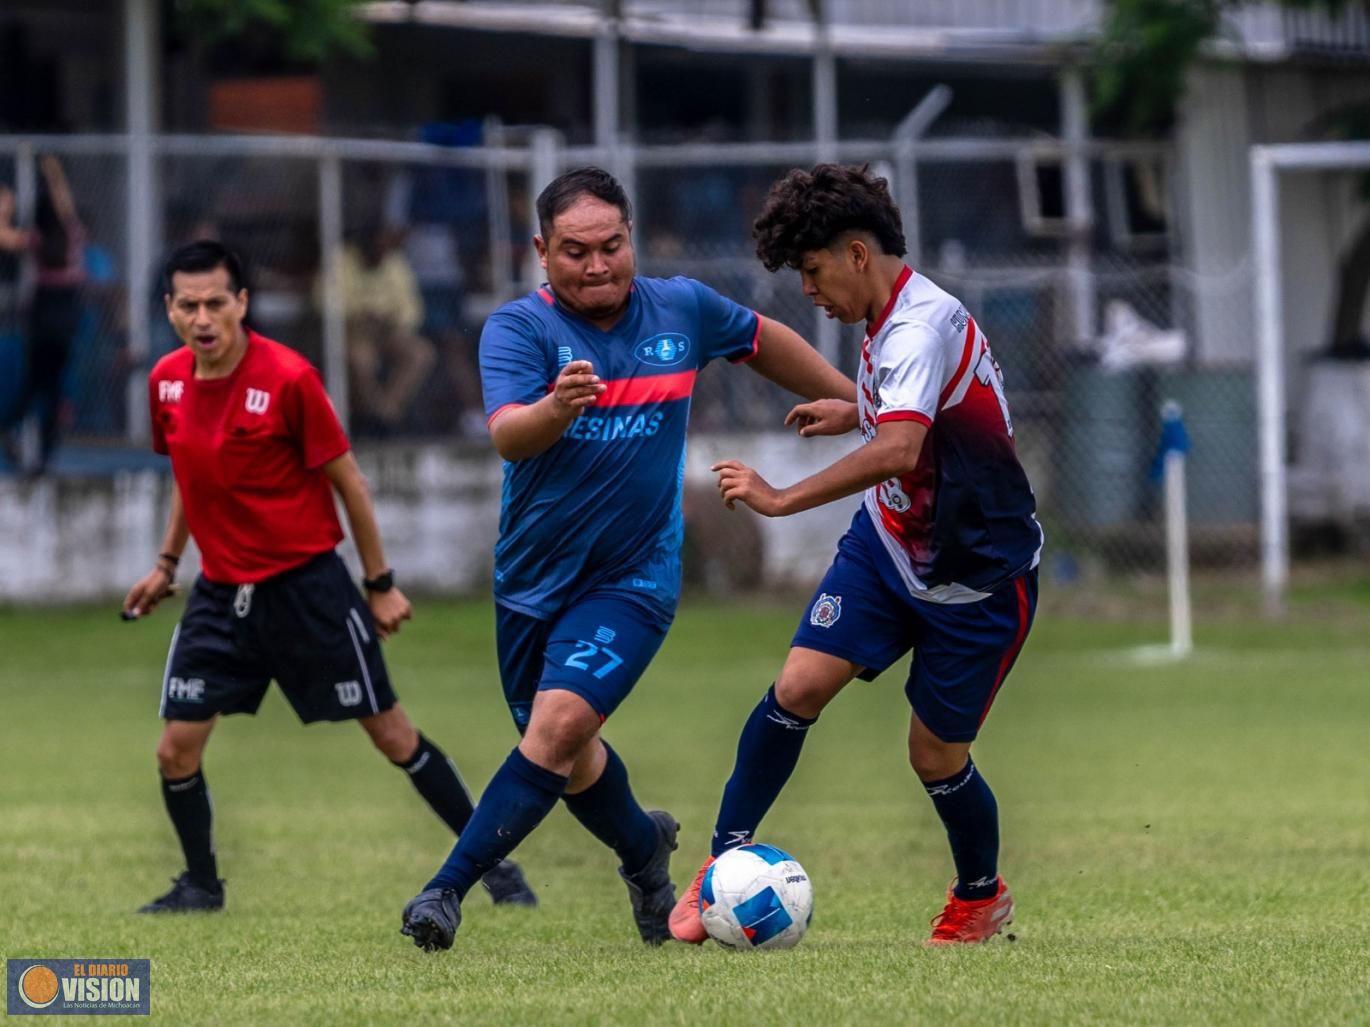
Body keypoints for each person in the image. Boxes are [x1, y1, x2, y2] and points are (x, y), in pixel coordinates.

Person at [398, 166, 855, 952]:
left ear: (630, 239)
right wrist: (556, 407)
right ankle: (646, 854)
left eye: (612, 245)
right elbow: (509, 433)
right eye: (576, 250)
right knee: (567, 757)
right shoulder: (518, 330)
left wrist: (860, 401)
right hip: (532, 583)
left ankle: (446, 891)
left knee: (557, 726)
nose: (598, 264)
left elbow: (760, 339)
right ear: (542, 251)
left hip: (634, 579)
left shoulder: (680, 307)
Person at [667, 163, 1043, 946]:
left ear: (858, 254)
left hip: (977, 577)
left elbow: (902, 448)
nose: (808, 289)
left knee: (934, 756)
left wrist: (778, 497)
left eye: (813, 269)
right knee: (799, 682)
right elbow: (910, 420)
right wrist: (855, 407)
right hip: (889, 545)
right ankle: (720, 865)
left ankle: (981, 895)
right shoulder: (890, 318)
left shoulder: (916, 326)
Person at [125, 240, 536, 913]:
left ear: (242, 304)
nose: (203, 318)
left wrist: (380, 582)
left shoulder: (287, 378)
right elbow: (190, 478)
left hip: (308, 588)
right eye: (188, 305)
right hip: (222, 596)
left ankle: (492, 865)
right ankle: (201, 884)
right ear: (169, 309)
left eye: (216, 303)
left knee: (393, 736)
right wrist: (167, 564)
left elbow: (351, 484)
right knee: (176, 748)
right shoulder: (166, 382)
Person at [6, 156, 86, 476]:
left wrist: (6, 206)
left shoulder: (38, 241)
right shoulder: (71, 236)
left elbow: (7, 237)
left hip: (42, 316)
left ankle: (13, 428)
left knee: (36, 383)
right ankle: (42, 451)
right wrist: (54, 172)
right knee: (51, 386)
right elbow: (65, 207)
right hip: (64, 318)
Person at [338, 225, 437, 433]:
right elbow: (325, 302)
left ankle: (386, 414)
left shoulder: (394, 261)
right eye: (377, 246)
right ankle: (371, 416)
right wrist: (361, 313)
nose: (381, 251)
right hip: (353, 331)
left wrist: (393, 319)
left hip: (388, 332)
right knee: (362, 360)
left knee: (421, 354)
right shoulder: (342, 260)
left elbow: (412, 308)